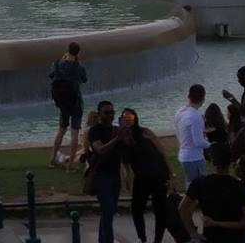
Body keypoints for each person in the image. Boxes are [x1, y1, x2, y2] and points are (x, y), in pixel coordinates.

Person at [179, 142, 245, 243]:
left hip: (211, 237)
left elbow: (182, 208)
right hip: (235, 238)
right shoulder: (239, 186)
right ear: (230, 161)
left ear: (211, 160)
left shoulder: (200, 183)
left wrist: (192, 232)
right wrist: (219, 223)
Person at [120, 108, 171, 243]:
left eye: (130, 117)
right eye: (124, 118)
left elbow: (162, 151)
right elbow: (126, 161)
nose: (127, 120)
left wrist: (170, 173)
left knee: (160, 210)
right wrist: (127, 177)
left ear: (135, 118)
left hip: (158, 174)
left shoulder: (145, 132)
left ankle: (157, 240)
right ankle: (142, 238)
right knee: (136, 209)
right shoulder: (123, 139)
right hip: (141, 178)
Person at [87, 101, 122, 243]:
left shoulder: (117, 130)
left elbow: (127, 150)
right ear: (99, 114)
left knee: (109, 212)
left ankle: (103, 240)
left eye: (112, 112)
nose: (110, 115)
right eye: (106, 112)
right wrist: (117, 139)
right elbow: (100, 149)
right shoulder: (95, 131)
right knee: (108, 210)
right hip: (101, 176)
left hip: (115, 175)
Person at [49, 41, 87, 168]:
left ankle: (53, 159)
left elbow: (51, 76)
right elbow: (84, 79)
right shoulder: (78, 67)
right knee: (75, 132)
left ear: (67, 50)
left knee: (61, 129)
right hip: (76, 101)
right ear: (78, 53)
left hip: (63, 102)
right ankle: (70, 164)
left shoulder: (57, 64)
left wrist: (62, 59)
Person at [175, 84, 211, 183]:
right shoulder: (195, 116)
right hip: (194, 157)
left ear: (189, 96)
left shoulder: (180, 112)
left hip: (183, 155)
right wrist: (210, 145)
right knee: (198, 187)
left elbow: (178, 132)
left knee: (191, 185)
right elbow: (198, 141)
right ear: (203, 98)